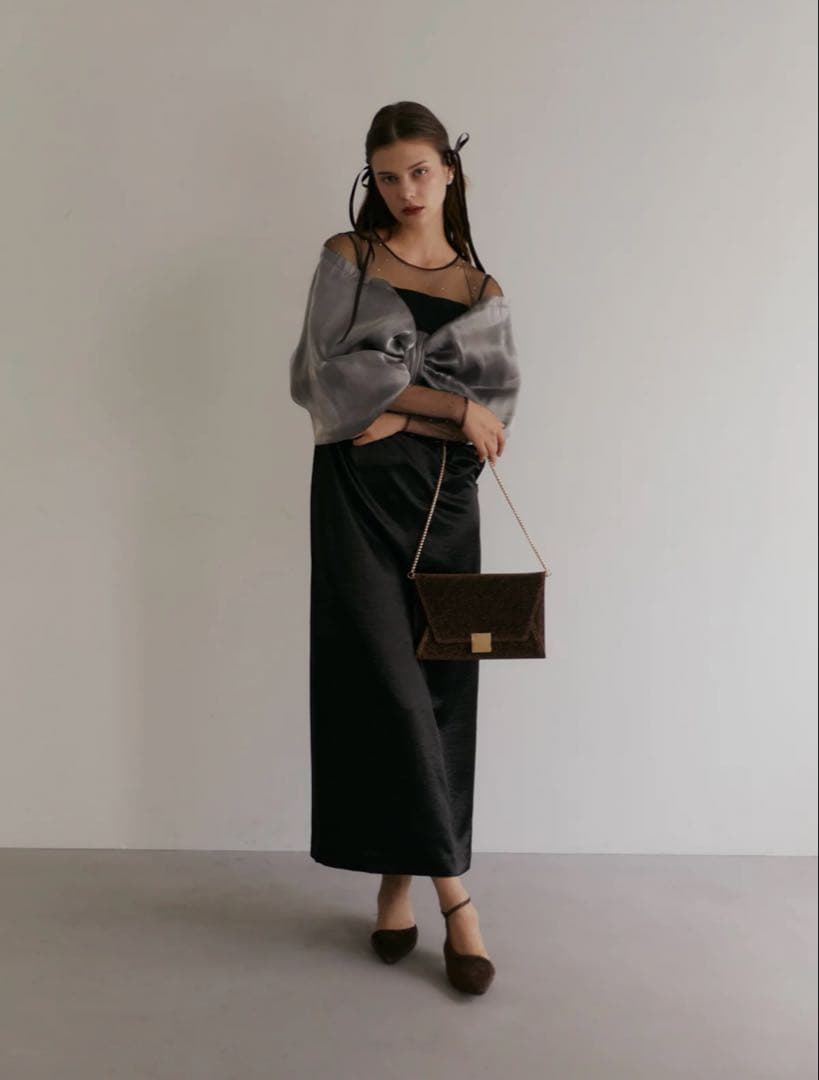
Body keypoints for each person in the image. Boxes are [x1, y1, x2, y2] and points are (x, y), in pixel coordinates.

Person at [289, 101, 521, 995]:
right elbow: (324, 379)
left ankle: (396, 882)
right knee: (383, 685)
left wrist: (410, 412)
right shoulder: (347, 257)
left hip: (446, 503)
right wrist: (447, 404)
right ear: (370, 181)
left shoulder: (480, 288)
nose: (405, 191)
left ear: (449, 171)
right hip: (355, 497)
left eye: (420, 172)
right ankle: (458, 899)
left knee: (441, 692)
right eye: (387, 177)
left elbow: (492, 418)